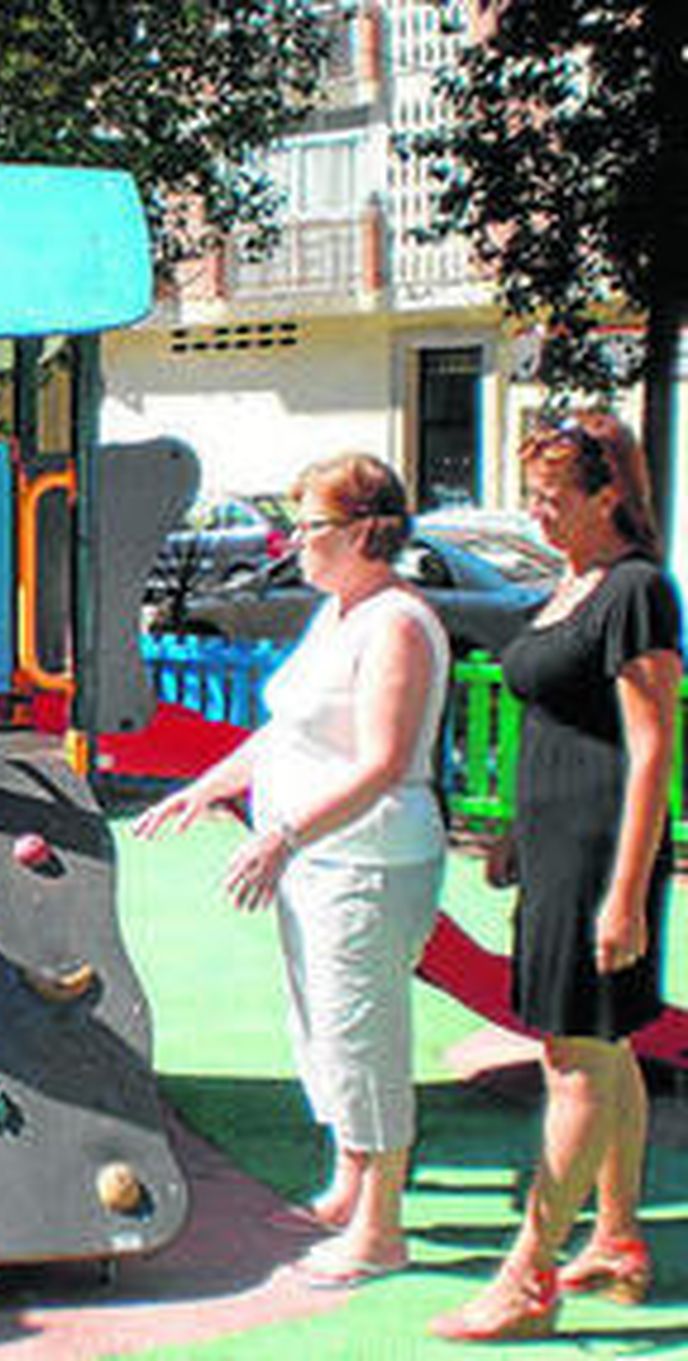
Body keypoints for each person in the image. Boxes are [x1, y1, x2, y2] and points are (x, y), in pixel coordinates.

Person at [133, 454, 450, 1287]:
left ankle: (381, 1227)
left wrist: (281, 835)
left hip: (368, 859)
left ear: (360, 531)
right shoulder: (342, 612)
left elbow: (383, 761)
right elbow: (285, 732)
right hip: (325, 859)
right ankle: (349, 1185)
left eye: (309, 525)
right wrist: (206, 789)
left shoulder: (398, 623)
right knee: (324, 1026)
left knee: (364, 1034)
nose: (294, 541)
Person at [430, 412, 680, 1342]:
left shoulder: (636, 590)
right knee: (598, 1050)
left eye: (551, 497)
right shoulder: (572, 583)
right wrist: (511, 837)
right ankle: (617, 1235)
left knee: (575, 1060)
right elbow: (555, 720)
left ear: (608, 495)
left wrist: (624, 891)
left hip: (601, 857)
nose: (535, 513)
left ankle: (528, 1273)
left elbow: (652, 748)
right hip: (555, 850)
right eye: (531, 494)